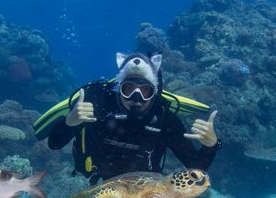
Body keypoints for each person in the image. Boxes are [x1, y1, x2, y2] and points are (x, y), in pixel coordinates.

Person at [33, 52, 221, 183]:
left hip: (142, 190)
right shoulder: (97, 105)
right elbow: (54, 144)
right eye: (129, 89)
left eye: (145, 91)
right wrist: (69, 122)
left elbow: (196, 166)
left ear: (154, 93)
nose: (137, 99)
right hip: (93, 181)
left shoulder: (163, 118)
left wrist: (211, 145)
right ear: (118, 88)